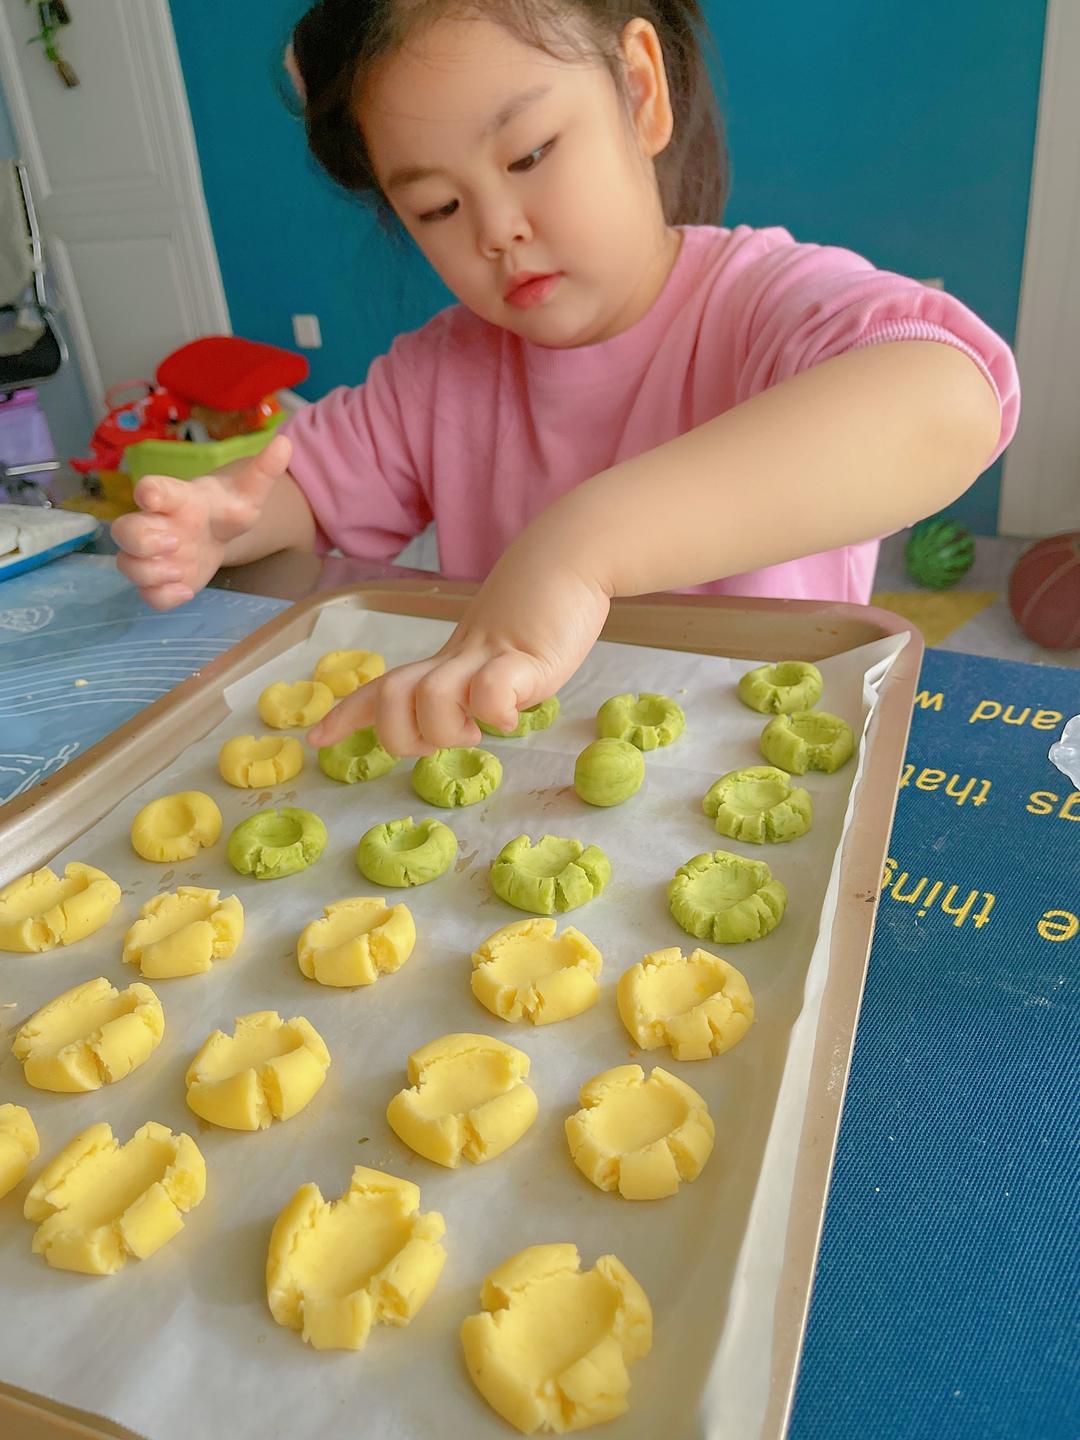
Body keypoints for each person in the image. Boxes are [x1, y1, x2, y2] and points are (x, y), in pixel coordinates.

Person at [111, 0, 1018, 757]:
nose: (497, 227)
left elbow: (947, 400)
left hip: (755, 763)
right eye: (438, 206)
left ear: (639, 92)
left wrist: (577, 550)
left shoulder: (761, 305)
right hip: (520, 777)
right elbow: (308, 487)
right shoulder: (440, 374)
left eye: (530, 154)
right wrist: (226, 519)